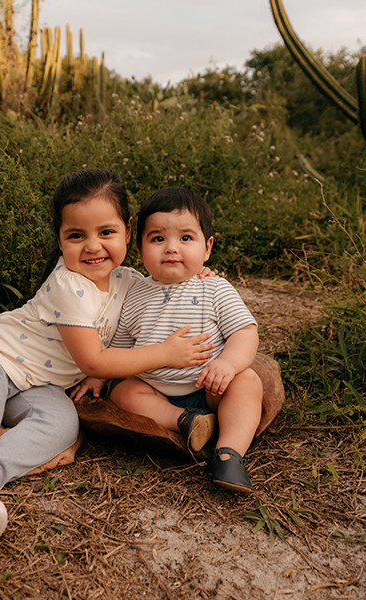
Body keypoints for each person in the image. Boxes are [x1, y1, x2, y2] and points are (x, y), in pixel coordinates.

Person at [0, 170, 215, 573]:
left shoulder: (129, 281)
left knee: (62, 423)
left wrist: (198, 274)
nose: (93, 247)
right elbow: (94, 362)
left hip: (39, 383)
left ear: (128, 231)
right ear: (60, 239)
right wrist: (165, 353)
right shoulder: (68, 284)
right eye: (76, 235)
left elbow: (164, 284)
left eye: (106, 232)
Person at [99, 187, 263, 493]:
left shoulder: (215, 289)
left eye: (186, 238)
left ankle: (228, 454)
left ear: (207, 248)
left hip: (209, 385)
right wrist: (98, 376)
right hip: (155, 388)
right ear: (139, 247)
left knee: (248, 381)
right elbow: (118, 348)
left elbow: (245, 332)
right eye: (158, 239)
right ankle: (186, 422)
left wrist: (227, 364)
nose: (171, 248)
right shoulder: (134, 295)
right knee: (123, 391)